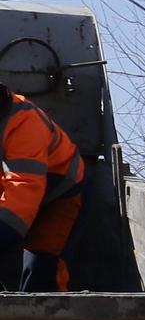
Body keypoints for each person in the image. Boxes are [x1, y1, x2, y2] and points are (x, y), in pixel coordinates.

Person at [1, 87, 85, 291]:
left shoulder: (24, 122)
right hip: (12, 193)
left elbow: (23, 191)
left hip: (59, 196)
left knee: (41, 269)